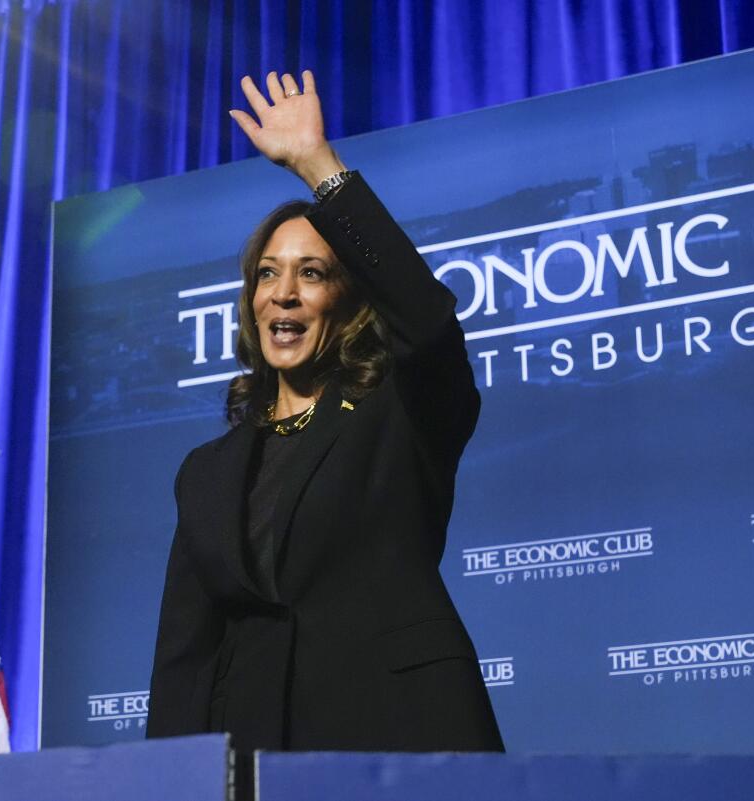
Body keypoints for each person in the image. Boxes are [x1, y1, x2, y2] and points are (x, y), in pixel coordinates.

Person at [147, 70, 503, 754]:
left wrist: (319, 166)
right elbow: (183, 661)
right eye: (267, 273)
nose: (283, 293)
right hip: (259, 758)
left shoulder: (400, 416)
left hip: (402, 742)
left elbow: (428, 325)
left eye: (311, 272)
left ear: (349, 299)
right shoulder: (205, 473)